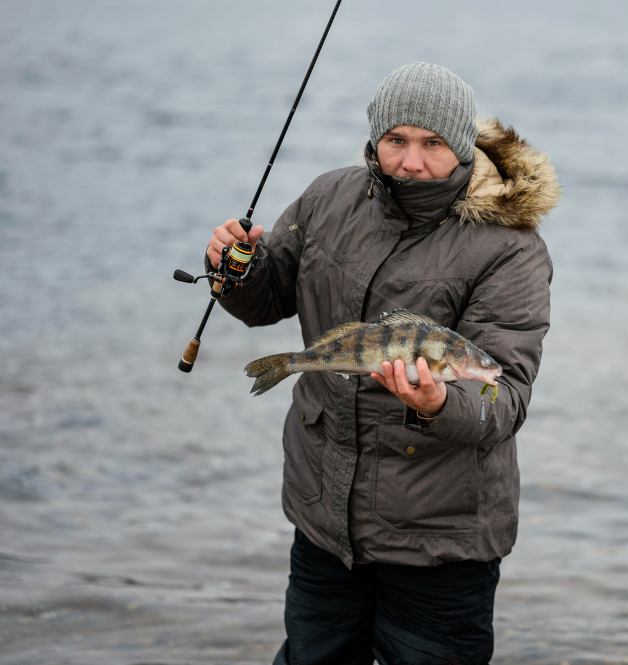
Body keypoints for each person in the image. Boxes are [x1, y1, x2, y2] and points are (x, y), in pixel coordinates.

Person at [205, 62, 559, 665]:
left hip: (441, 541)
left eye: (432, 144)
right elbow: (266, 299)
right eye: (396, 140)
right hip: (324, 519)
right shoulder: (327, 197)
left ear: (463, 147)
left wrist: (441, 404)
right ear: (374, 140)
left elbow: (505, 395)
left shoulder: (512, 248)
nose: (411, 162)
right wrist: (234, 271)